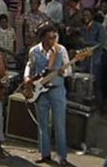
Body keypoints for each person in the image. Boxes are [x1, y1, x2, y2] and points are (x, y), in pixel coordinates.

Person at [24, 25, 72, 165]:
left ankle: (62, 156)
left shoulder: (61, 50)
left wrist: (65, 73)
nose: (53, 40)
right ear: (43, 37)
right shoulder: (34, 51)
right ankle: (45, 154)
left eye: (54, 37)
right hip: (41, 91)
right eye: (50, 37)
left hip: (57, 89)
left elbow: (68, 69)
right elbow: (29, 65)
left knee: (59, 124)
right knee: (43, 124)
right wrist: (27, 77)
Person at [79, 8, 107, 111]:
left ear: (92, 16)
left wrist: (86, 42)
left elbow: (100, 43)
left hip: (95, 59)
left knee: (96, 84)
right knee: (84, 85)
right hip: (84, 59)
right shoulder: (82, 28)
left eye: (87, 15)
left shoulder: (99, 27)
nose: (85, 17)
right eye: (84, 15)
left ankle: (99, 107)